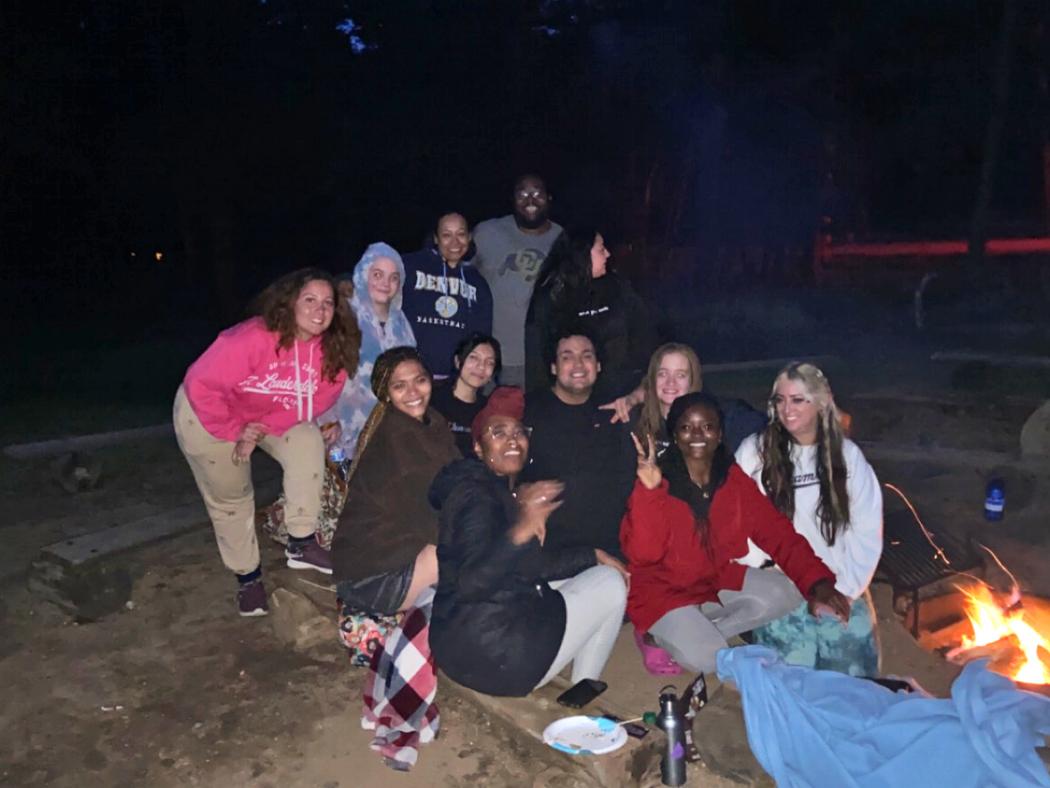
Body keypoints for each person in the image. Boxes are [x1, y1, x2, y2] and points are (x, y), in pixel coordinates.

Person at [173, 268, 361, 616]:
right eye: (309, 300)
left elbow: (315, 404)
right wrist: (235, 432)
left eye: (328, 303)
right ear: (289, 303)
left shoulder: (334, 353)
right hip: (206, 414)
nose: (319, 310)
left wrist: (258, 430)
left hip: (266, 415)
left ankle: (302, 541)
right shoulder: (251, 338)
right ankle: (248, 578)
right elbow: (201, 386)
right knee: (232, 496)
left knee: (308, 440)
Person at [621, 391, 850, 675]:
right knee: (710, 659)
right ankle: (661, 633)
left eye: (707, 426)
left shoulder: (732, 479)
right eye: (686, 427)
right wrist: (649, 491)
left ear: (719, 434)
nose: (697, 434)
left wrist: (818, 583)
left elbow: (776, 532)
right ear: (675, 435)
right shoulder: (657, 482)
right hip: (663, 594)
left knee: (787, 593)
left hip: (712, 582)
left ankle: (686, 633)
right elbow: (644, 554)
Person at [429, 387, 627, 697]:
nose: (512, 440)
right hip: (499, 660)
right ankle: (583, 690)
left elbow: (533, 565)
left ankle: (578, 683)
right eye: (498, 432)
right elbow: (472, 582)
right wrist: (521, 530)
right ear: (479, 448)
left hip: (458, 648)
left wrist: (593, 554)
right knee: (611, 583)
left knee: (592, 572)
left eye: (519, 432)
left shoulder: (493, 489)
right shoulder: (476, 496)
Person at [734, 362, 883, 676]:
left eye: (798, 399)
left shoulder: (847, 456)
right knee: (793, 674)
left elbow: (867, 530)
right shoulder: (754, 452)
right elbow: (736, 522)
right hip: (779, 582)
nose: (787, 409)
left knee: (854, 671)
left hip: (840, 581)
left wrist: (845, 589)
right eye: (780, 399)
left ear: (821, 401)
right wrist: (762, 568)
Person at [330, 346, 460, 616]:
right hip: (368, 579)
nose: (413, 393)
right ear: (386, 394)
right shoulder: (397, 443)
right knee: (456, 554)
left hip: (402, 553)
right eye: (399, 386)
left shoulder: (432, 423)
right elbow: (432, 524)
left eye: (420, 381)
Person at [521, 329, 636, 577]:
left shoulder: (613, 413)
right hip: (551, 557)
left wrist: (635, 398)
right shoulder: (527, 412)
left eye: (586, 356)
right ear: (553, 367)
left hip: (610, 552)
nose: (578, 364)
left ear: (598, 364)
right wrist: (518, 494)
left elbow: (663, 385)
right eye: (567, 357)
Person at [525, 227, 655, 397]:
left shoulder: (618, 288)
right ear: (582, 255)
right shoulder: (551, 297)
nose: (608, 254)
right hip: (572, 397)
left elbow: (644, 335)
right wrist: (542, 403)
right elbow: (537, 358)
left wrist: (640, 386)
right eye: (601, 249)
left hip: (621, 393)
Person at [324, 242, 417, 456]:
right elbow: (321, 371)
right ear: (364, 274)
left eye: (393, 277)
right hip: (337, 431)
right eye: (378, 275)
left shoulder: (402, 324)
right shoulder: (342, 314)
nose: (386, 283)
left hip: (381, 435)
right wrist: (326, 420)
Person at [472, 174, 563, 387]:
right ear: (512, 199)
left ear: (549, 198)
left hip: (541, 359)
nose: (530, 200)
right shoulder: (487, 233)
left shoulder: (562, 239)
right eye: (522, 194)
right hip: (490, 360)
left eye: (537, 193)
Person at [400, 213, 494, 379]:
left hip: (453, 382)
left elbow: (481, 337)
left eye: (461, 234)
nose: (455, 242)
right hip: (408, 376)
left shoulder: (478, 283)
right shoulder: (410, 265)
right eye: (446, 235)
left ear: (469, 237)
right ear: (436, 238)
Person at [430, 333, 501, 456]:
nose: (481, 366)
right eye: (474, 358)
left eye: (489, 363)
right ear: (458, 361)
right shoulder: (433, 400)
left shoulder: (489, 410)